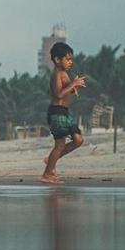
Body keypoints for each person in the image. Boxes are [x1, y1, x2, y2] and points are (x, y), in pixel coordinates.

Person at [41, 42, 86, 184]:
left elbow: (65, 90)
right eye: (67, 59)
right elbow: (58, 94)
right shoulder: (56, 74)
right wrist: (73, 84)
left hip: (65, 112)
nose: (70, 62)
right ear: (57, 60)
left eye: (71, 59)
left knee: (78, 140)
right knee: (59, 144)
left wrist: (73, 87)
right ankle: (47, 174)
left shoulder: (64, 74)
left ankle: (51, 160)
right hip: (56, 112)